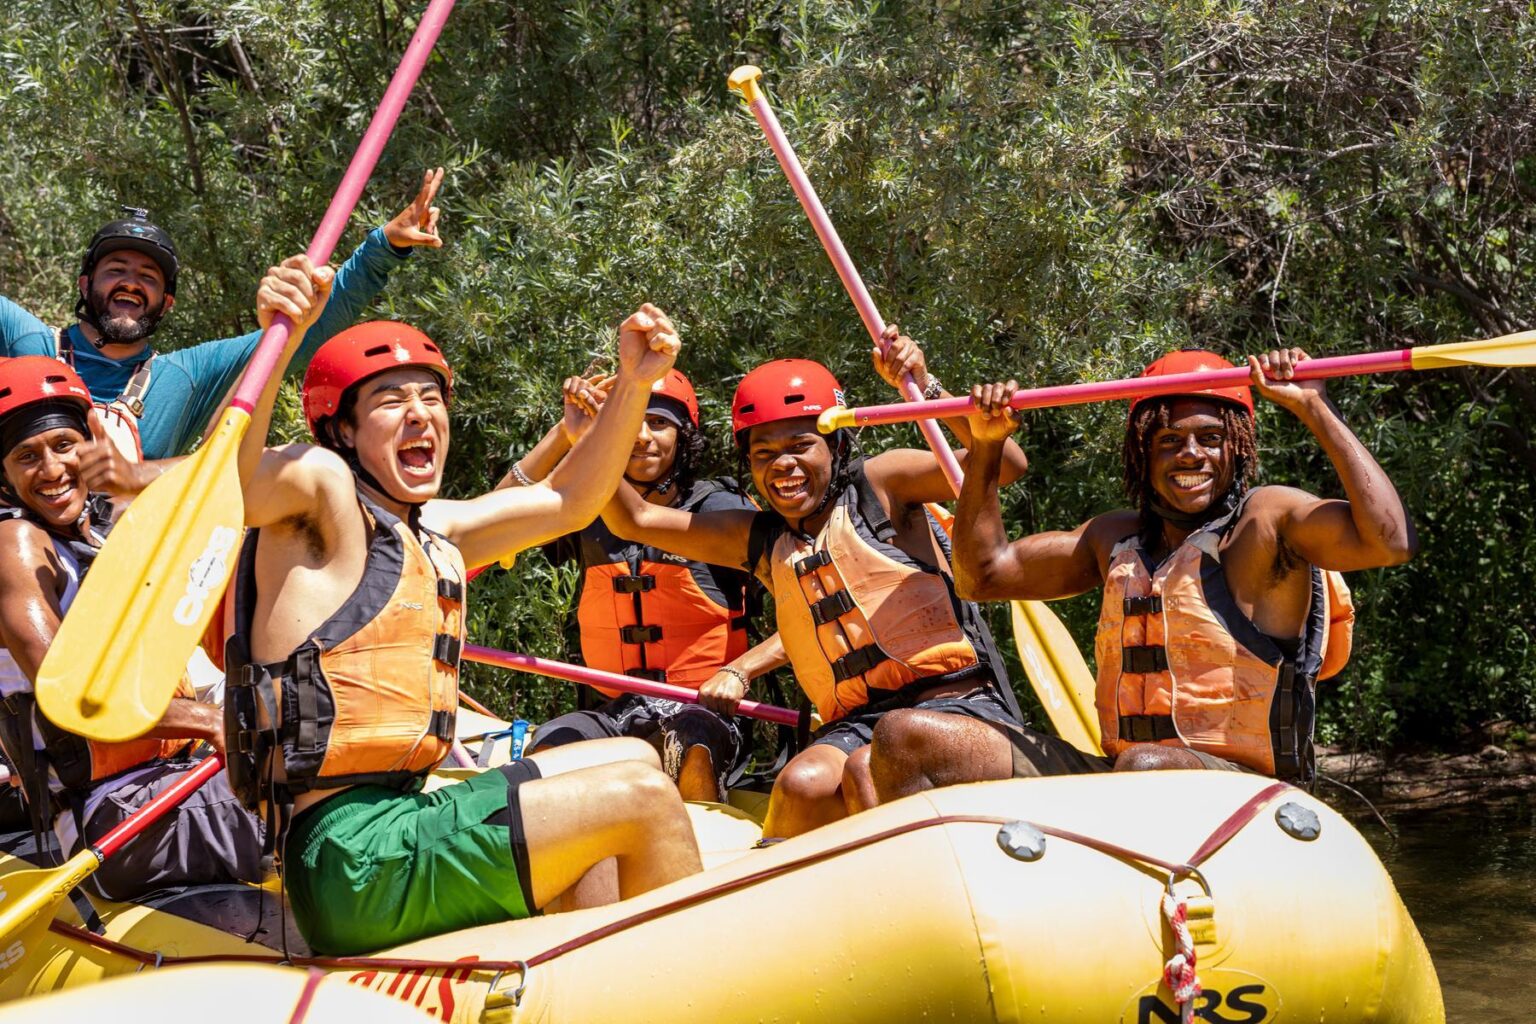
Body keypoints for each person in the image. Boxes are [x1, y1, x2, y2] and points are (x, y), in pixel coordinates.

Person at [221, 260, 701, 956]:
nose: (420, 413)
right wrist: (279, 339)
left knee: (627, 753)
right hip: (352, 857)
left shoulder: (435, 528)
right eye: (390, 400)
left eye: (430, 397)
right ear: (344, 432)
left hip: (397, 820)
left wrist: (634, 384)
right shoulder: (317, 495)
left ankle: (596, 975)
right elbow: (233, 485)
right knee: (643, 798)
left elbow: (571, 501)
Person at [599, 331, 1071, 840]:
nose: (782, 465)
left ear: (837, 444)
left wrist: (924, 385)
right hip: (859, 720)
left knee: (875, 763)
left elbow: (1006, 464)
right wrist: (597, 424)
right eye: (763, 454)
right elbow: (634, 518)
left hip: (956, 706)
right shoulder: (758, 538)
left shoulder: (883, 484)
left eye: (801, 446)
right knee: (801, 784)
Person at [952, 348, 1418, 780]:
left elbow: (1389, 542)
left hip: (1248, 792)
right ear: (1142, 453)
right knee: (913, 738)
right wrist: (987, 444)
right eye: (1169, 440)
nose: (1191, 453)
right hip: (1125, 779)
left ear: (1236, 448)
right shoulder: (1113, 538)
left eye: (1211, 438)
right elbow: (981, 577)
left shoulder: (1265, 522)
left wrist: (1315, 407)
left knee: (1145, 764)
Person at [0, 355, 262, 899]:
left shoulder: (94, 533)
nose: (51, 471)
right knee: (314, 796)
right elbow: (68, 696)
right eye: (27, 456)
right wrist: (210, 720)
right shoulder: (14, 546)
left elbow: (219, 469)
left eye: (64, 446)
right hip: (111, 818)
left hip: (158, 788)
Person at [0, 169, 446, 477]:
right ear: (85, 284)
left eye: (148, 277)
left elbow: (305, 325)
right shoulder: (28, 341)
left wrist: (384, 245)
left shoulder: (188, 376)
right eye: (116, 269)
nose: (131, 283)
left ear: (166, 303)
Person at [506, 368, 772, 801]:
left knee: (693, 741)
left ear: (684, 435)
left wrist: (740, 670)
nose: (642, 436)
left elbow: (803, 606)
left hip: (702, 712)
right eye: (629, 423)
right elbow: (499, 516)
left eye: (659, 422)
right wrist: (567, 434)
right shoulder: (587, 509)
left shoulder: (721, 510)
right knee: (551, 745)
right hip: (613, 710)